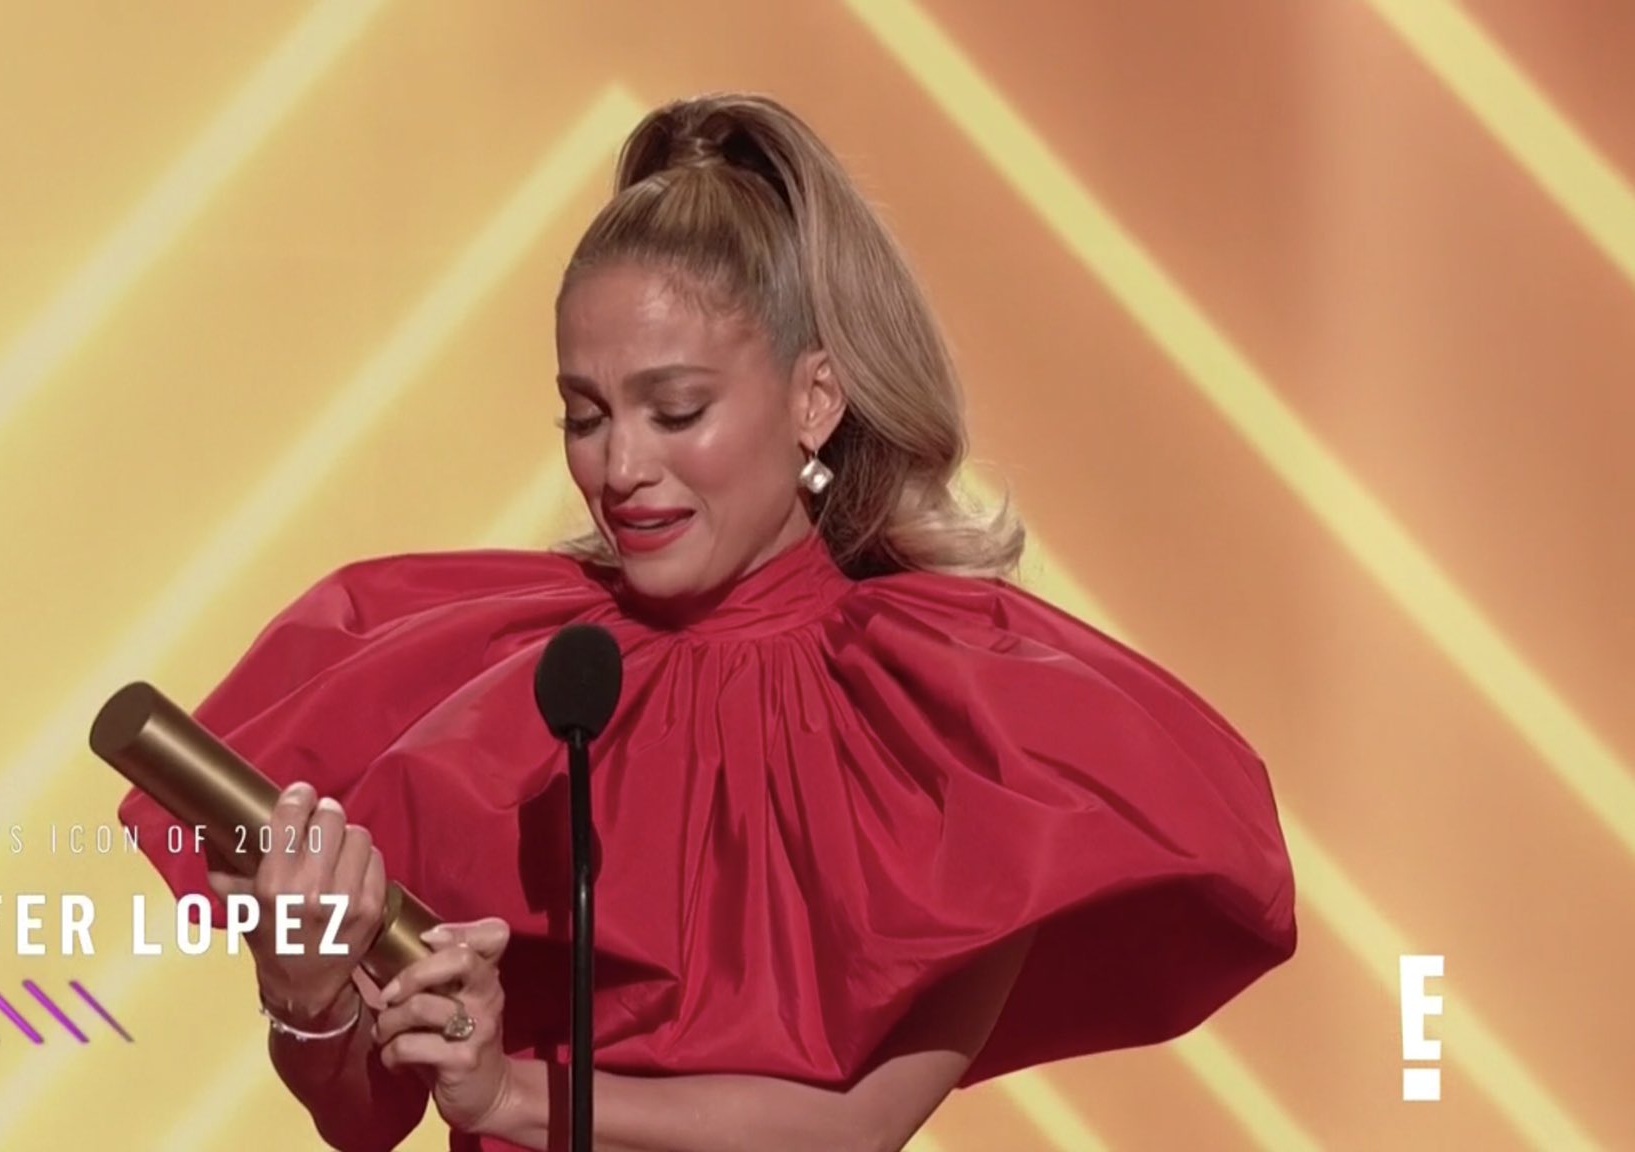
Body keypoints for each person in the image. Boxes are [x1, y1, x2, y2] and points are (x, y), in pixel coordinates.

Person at [119, 91, 1297, 1152]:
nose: (620, 467)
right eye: (585, 416)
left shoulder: (945, 716)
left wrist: (515, 1096)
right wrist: (308, 994)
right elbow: (364, 1118)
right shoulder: (500, 680)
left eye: (675, 411)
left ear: (814, 397)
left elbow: (850, 1129)